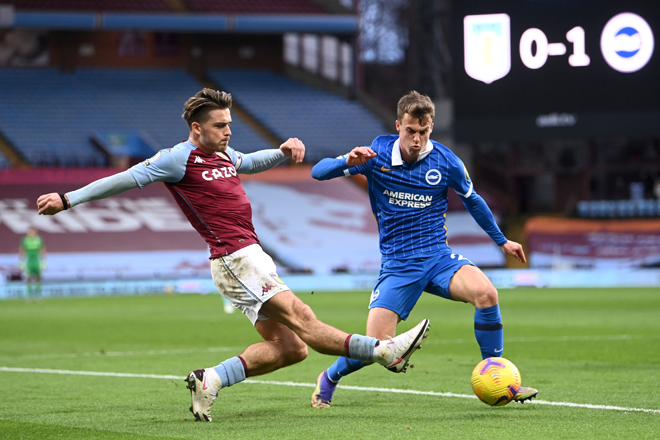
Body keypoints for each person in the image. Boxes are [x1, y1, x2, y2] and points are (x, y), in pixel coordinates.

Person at [36, 88, 431, 422]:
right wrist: (68, 199)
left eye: (229, 124)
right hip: (234, 258)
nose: (227, 132)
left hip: (247, 257)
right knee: (302, 317)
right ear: (196, 128)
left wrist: (279, 151)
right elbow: (124, 179)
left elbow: (250, 161)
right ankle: (383, 351)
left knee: (291, 348)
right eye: (220, 126)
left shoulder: (223, 155)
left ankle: (211, 379)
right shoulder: (177, 158)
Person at [309, 91, 537, 408]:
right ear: (398, 125)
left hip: (438, 258)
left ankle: (498, 376)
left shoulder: (446, 161)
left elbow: (474, 201)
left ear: (431, 127)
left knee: (486, 294)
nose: (417, 140)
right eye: (411, 131)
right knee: (378, 348)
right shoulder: (375, 155)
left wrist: (502, 240)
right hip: (398, 266)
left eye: (424, 132)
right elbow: (317, 172)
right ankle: (329, 377)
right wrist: (347, 161)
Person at [19, 226, 46, 299]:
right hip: (29, 261)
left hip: (36, 260)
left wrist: (43, 261)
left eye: (33, 231)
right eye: (30, 231)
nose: (31, 232)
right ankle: (28, 293)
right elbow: (22, 250)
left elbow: (42, 250)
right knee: (28, 277)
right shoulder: (25, 240)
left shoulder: (39, 239)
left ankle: (38, 293)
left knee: (38, 277)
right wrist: (21, 261)